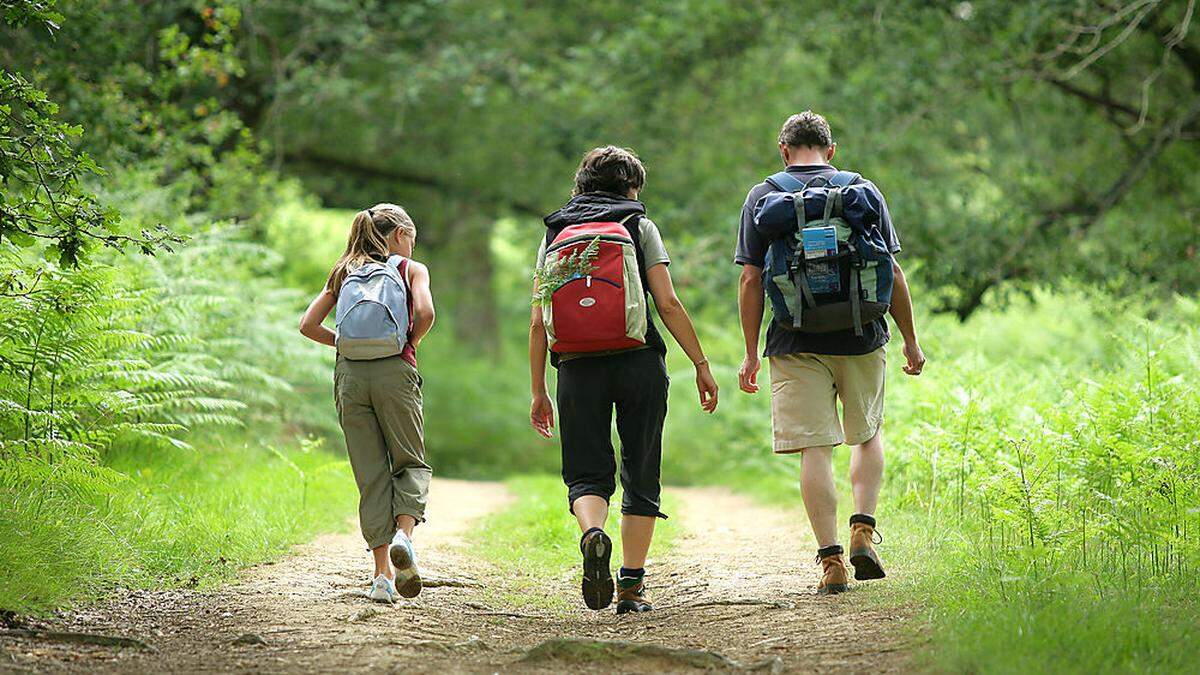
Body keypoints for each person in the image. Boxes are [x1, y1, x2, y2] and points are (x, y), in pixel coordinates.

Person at [735, 112, 926, 595]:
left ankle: (832, 561)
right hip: (862, 334)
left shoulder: (763, 197)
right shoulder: (862, 191)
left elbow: (751, 279)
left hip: (794, 341)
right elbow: (893, 271)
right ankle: (863, 528)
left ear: (783, 150)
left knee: (815, 448)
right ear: (831, 150)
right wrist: (910, 339)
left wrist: (750, 352)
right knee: (866, 434)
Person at [529, 146, 719, 613]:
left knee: (586, 471)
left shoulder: (556, 231)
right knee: (641, 466)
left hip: (575, 367)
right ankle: (631, 586)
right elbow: (668, 303)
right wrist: (700, 363)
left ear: (582, 184)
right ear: (631, 187)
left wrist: (538, 390)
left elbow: (538, 320)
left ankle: (594, 533)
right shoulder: (639, 226)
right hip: (639, 362)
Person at [299, 203, 435, 603]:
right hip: (395, 371)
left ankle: (381, 578)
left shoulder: (344, 271)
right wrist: (410, 342)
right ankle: (403, 537)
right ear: (399, 235)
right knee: (410, 462)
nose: (412, 245)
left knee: (370, 474)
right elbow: (425, 312)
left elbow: (308, 325)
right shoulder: (410, 269)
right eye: (411, 238)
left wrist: (342, 342)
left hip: (351, 377)